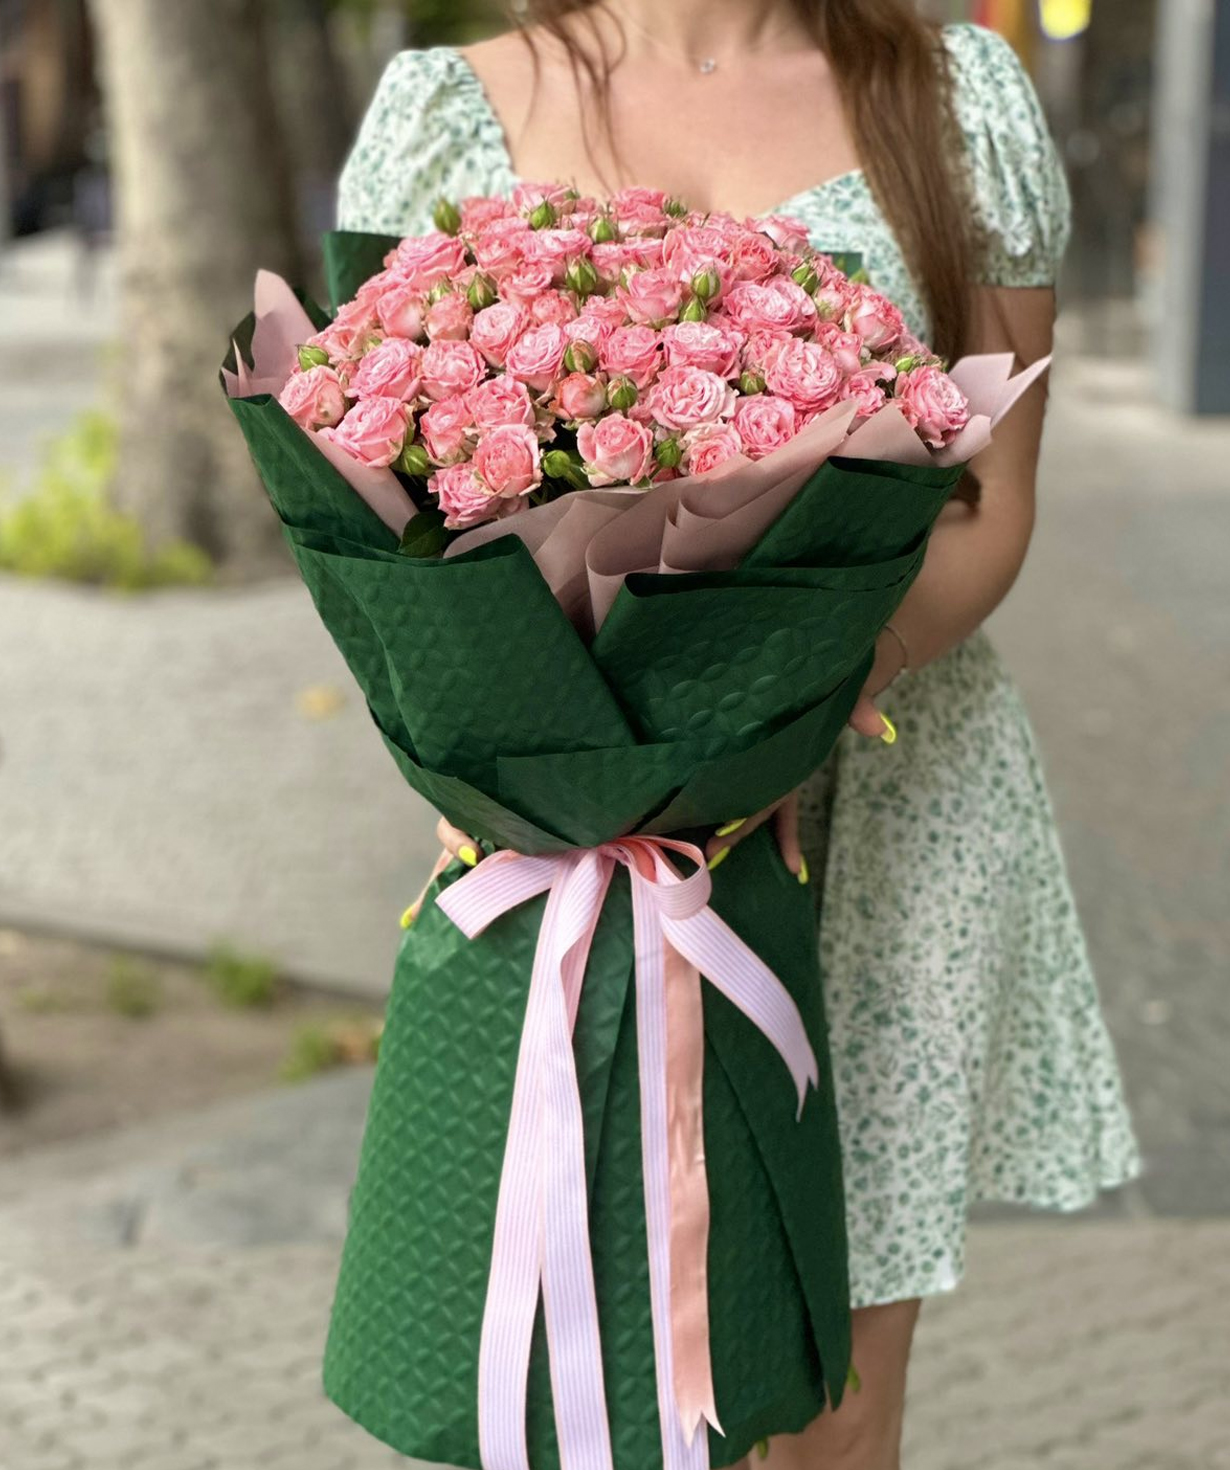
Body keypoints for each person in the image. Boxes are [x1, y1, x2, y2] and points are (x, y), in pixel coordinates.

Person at [336, 4, 1139, 1466]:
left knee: (827, 1401)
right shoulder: (439, 112)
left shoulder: (953, 93)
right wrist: (568, 754)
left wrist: (769, 715)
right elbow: (388, 506)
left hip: (885, 802)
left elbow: (989, 501)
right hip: (576, 832)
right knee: (580, 1361)